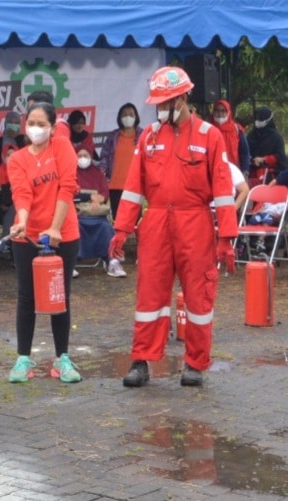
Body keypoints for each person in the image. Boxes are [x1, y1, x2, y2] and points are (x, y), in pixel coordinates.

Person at [109, 66, 237, 388]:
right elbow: (133, 186)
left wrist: (227, 237)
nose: (161, 109)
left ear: (182, 98)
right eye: (159, 103)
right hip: (155, 224)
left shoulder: (210, 135)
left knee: (198, 294)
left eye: (167, 102)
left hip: (195, 224)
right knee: (149, 293)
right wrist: (122, 228)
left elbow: (223, 190)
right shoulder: (148, 136)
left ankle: (195, 363)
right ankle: (141, 360)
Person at [5, 100, 82, 384]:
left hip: (65, 232)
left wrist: (55, 227)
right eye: (32, 123)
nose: (35, 129)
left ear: (52, 127)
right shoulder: (18, 159)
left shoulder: (62, 147)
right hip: (28, 237)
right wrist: (22, 221)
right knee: (27, 297)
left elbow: (67, 186)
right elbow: (22, 193)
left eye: (42, 124)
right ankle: (23, 359)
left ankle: (62, 359)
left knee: (60, 295)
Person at [74, 148, 125, 277]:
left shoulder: (97, 173)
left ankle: (113, 261)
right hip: (78, 214)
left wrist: (99, 198)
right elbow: (70, 192)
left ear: (91, 157)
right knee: (73, 227)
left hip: (97, 214)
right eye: (79, 155)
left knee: (106, 227)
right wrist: (90, 197)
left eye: (85, 155)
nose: (82, 158)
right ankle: (71, 263)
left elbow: (105, 193)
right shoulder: (71, 172)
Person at [99, 103, 144, 219]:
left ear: (136, 117)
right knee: (117, 220)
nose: (127, 117)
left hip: (134, 187)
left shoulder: (143, 136)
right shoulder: (113, 136)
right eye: (124, 115)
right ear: (119, 118)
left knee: (135, 221)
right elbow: (104, 155)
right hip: (115, 186)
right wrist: (102, 171)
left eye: (130, 114)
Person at [247, 106, 287, 187]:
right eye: (257, 118)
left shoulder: (276, 138)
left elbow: (281, 158)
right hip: (252, 172)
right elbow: (245, 153)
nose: (258, 120)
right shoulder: (251, 135)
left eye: (260, 118)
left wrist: (263, 159)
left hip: (271, 175)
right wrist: (252, 160)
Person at [211, 100, 251, 177]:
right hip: (213, 174)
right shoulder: (208, 129)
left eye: (223, 111)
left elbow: (245, 153)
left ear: (228, 112)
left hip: (234, 174)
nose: (220, 114)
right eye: (217, 110)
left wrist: (245, 172)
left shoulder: (237, 130)